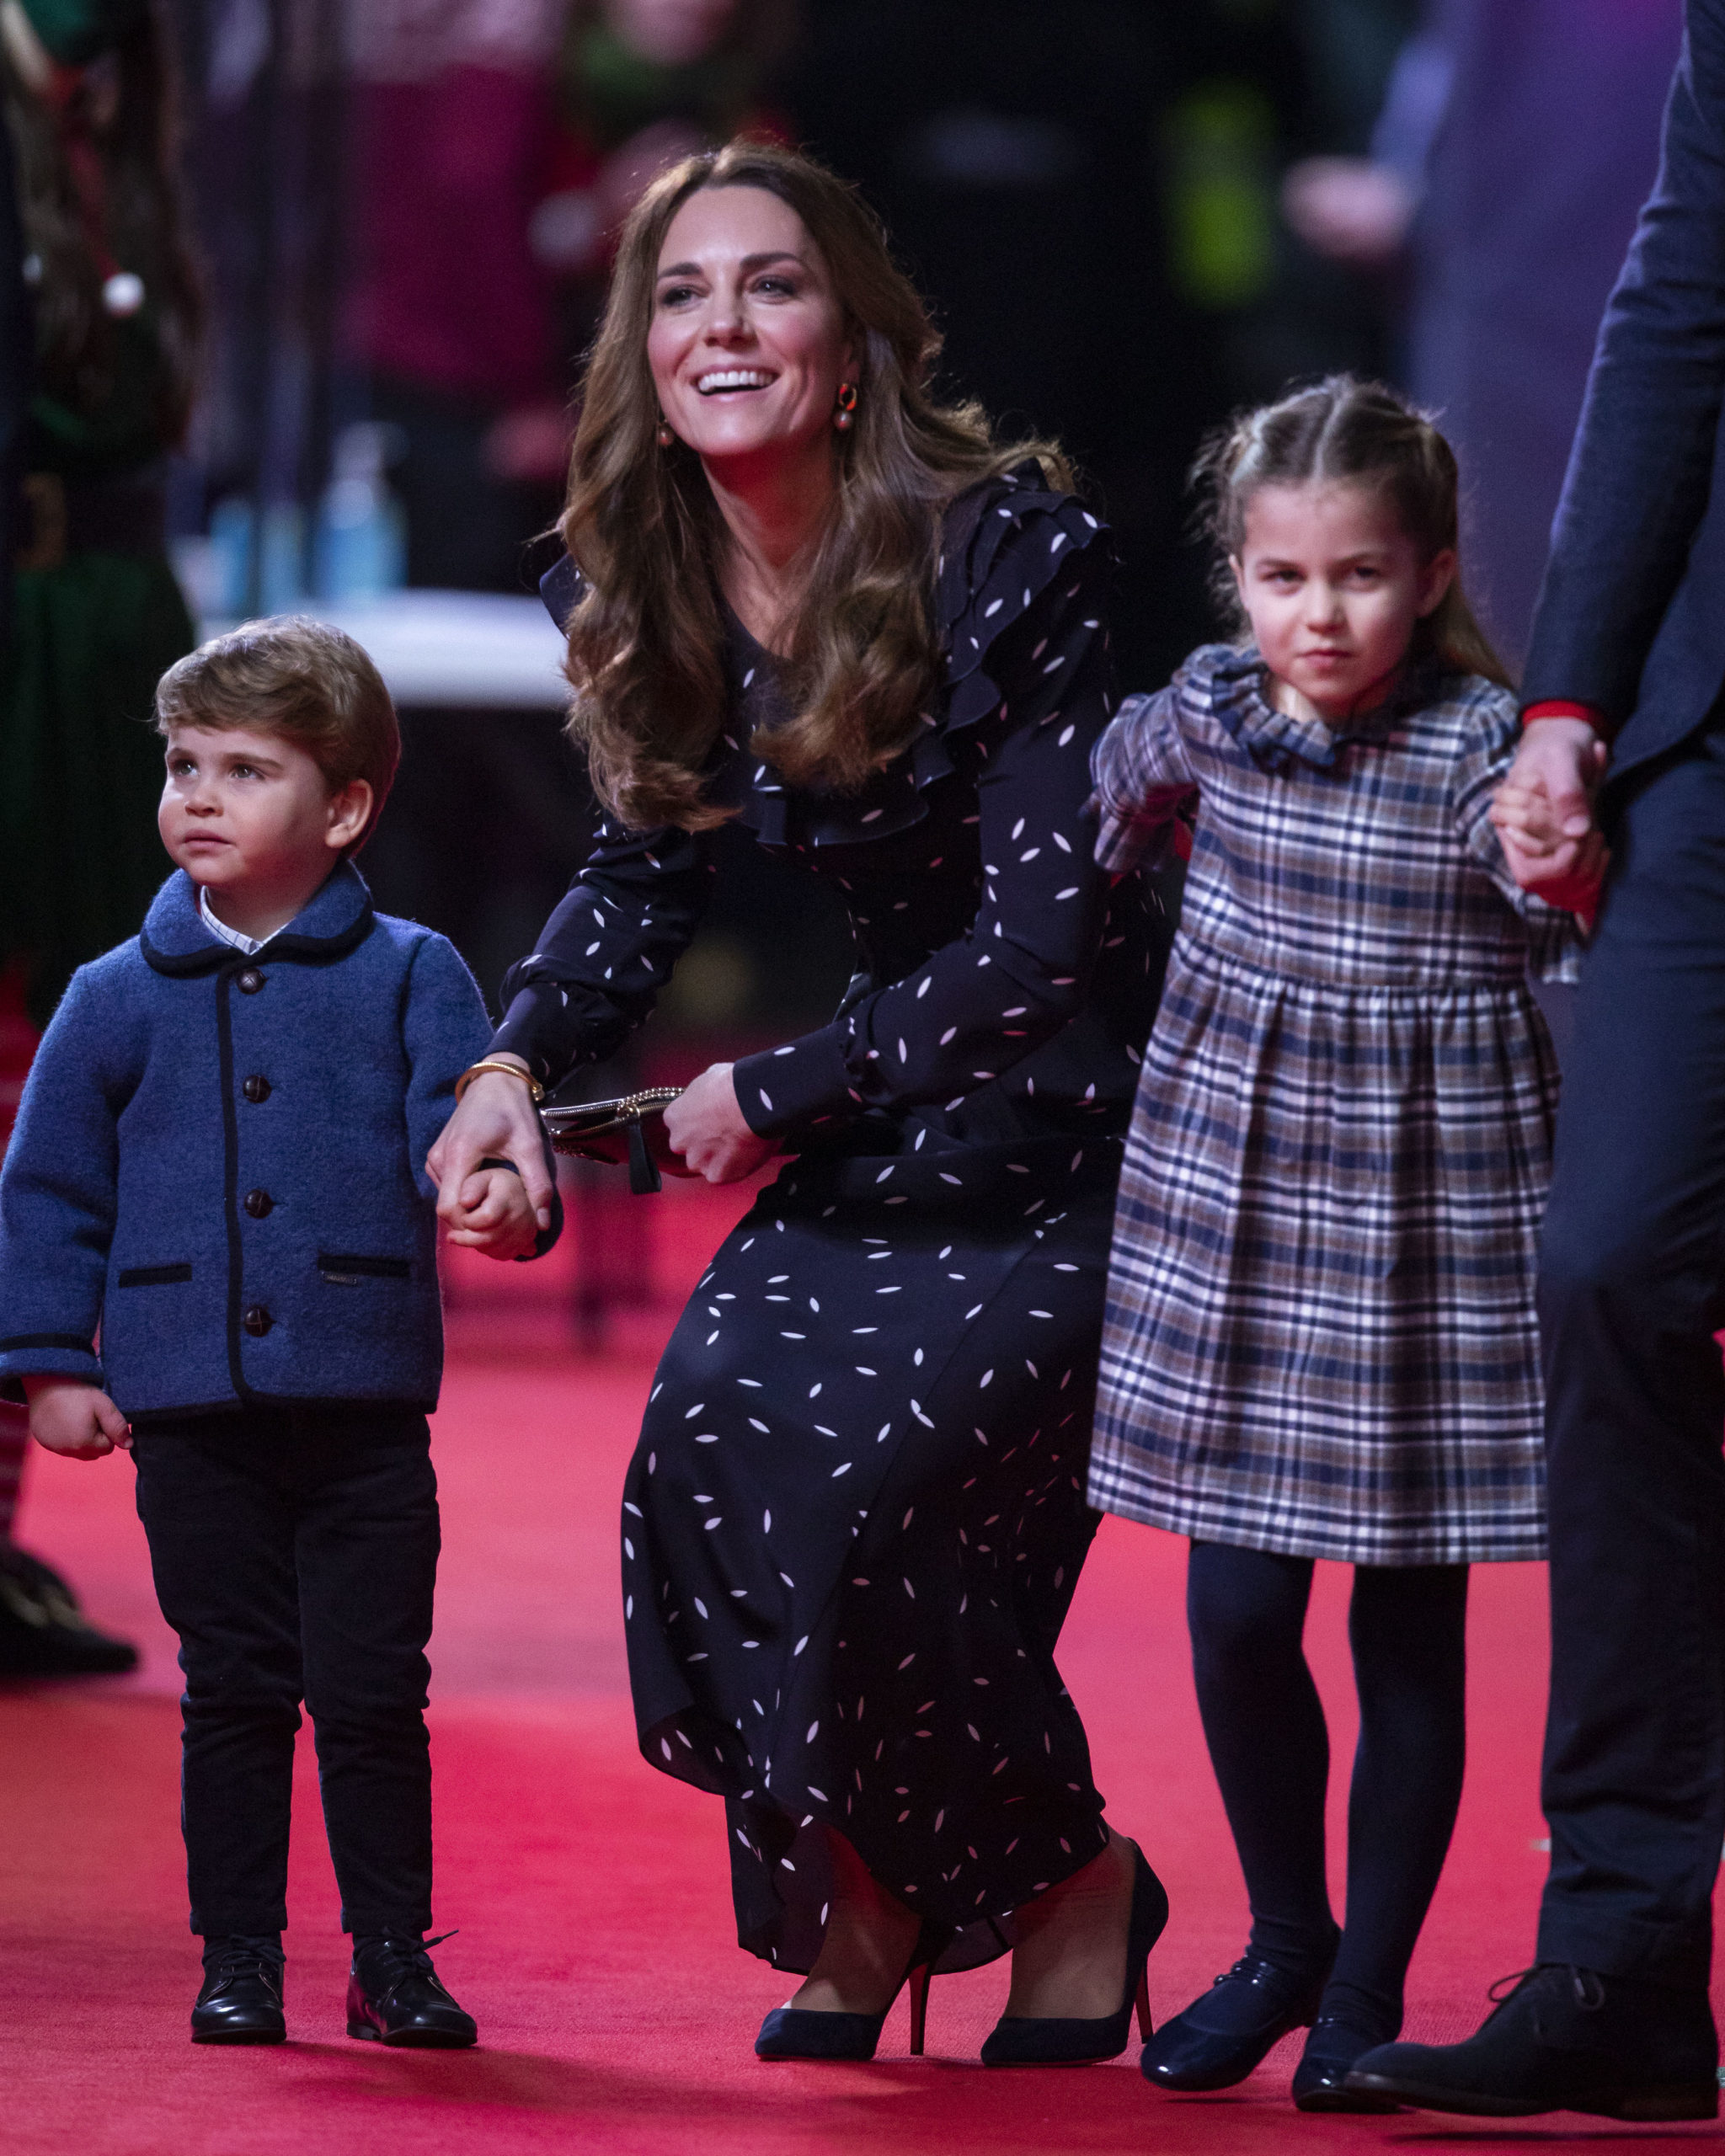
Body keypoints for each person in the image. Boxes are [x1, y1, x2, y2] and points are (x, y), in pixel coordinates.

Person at [429, 139, 1177, 2065]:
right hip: (889, 1119)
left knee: (862, 1491)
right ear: (642, 348)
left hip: (1091, 1117)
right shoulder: (653, 570)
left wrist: (774, 1084)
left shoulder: (1011, 549)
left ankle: (1066, 1880)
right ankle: (884, 1877)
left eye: (767, 285)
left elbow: (1049, 935)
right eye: (681, 294)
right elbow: (639, 873)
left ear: (851, 347)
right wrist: (513, 1066)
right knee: (701, 1451)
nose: (721, 325)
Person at [1085, 377, 1594, 2111]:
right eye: (1283, 576)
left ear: (1432, 570)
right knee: (1232, 1605)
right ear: (1236, 578)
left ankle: (1364, 1980)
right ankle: (1282, 1932)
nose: (1320, 614)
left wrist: (1550, 847)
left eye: (1360, 576)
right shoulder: (1210, 712)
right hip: (1233, 1201)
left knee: (1407, 1621)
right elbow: (1111, 790)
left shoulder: (1475, 742)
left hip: (1424, 1212)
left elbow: (1550, 887)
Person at [1348, 1, 1725, 2123]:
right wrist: (1566, 695)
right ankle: (1623, 1948)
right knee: (1609, 1264)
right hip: (1705, 725)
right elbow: (1677, 298)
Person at [0, 619, 549, 2047]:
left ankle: (390, 1955)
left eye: (247, 770)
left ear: (347, 806)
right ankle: (237, 1952)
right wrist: (51, 1365)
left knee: (373, 1696)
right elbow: (49, 1189)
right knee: (230, 1692)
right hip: (189, 1409)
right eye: (185, 765)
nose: (198, 796)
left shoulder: (415, 973)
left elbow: (468, 1134)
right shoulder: (111, 994)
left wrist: (496, 1195)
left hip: (362, 1406)